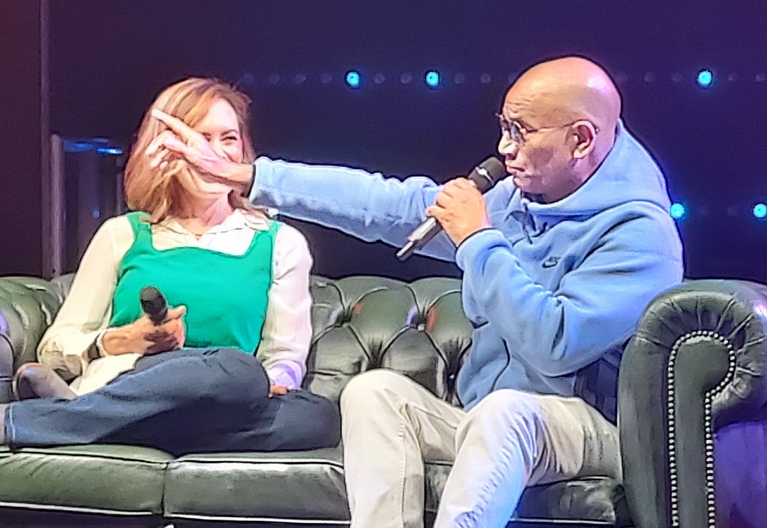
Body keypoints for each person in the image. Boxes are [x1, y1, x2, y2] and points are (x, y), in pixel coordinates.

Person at [147, 56, 684, 527]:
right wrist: (247, 176)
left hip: (588, 426)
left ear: (581, 139)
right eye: (503, 127)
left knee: (506, 413)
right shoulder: (518, 200)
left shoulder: (639, 232)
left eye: (521, 132)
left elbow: (556, 345)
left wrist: (477, 240)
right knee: (374, 393)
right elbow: (382, 204)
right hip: (484, 418)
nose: (504, 148)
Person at [0, 77, 340, 456]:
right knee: (237, 367)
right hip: (130, 378)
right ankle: (44, 420)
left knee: (313, 415)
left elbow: (284, 359)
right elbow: (55, 349)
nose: (215, 153)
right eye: (200, 138)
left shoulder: (280, 242)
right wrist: (121, 341)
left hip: (225, 397)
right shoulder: (123, 234)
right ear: (165, 149)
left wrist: (275, 382)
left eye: (228, 139)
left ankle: (62, 418)